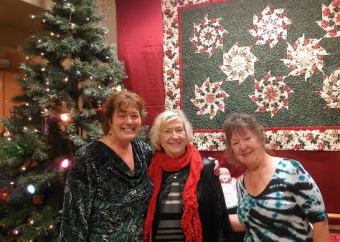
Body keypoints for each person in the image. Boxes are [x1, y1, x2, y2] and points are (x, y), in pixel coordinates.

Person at [59, 90, 153, 241]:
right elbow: (74, 217)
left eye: (134, 116)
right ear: (110, 120)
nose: (129, 121)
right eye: (122, 116)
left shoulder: (144, 152)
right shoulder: (89, 157)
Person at [223, 112, 329, 242]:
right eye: (235, 143)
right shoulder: (241, 184)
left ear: (260, 138)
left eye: (247, 138)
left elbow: (320, 221)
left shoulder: (291, 170)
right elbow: (248, 221)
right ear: (231, 150)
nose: (243, 147)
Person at [143, 109, 232, 242]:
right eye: (167, 131)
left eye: (179, 130)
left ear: (186, 133)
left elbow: (220, 217)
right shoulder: (148, 166)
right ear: (158, 137)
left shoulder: (206, 168)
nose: (175, 136)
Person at [218, 166, 245, 242]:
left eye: (227, 173)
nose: (224, 176)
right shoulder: (217, 184)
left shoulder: (233, 182)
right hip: (224, 206)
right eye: (221, 174)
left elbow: (239, 183)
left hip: (235, 206)